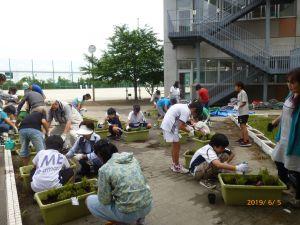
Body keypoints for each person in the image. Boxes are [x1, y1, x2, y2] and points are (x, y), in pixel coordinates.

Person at [86, 140, 152, 225]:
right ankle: (140, 221)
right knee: (136, 195)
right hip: (148, 205)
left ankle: (124, 222)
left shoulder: (104, 169)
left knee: (89, 200)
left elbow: (105, 200)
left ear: (99, 155)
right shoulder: (132, 159)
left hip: (128, 213)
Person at [271, 68, 300, 207]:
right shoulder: (291, 96)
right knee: (278, 159)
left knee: (296, 168)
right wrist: (274, 123)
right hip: (284, 137)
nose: (290, 85)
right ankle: (287, 186)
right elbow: (285, 113)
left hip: (295, 140)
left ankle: (298, 198)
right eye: (288, 82)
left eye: (293, 82)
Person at [160, 100, 203, 173]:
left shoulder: (184, 106)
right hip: (171, 125)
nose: (193, 115)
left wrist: (189, 127)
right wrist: (191, 131)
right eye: (195, 113)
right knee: (177, 146)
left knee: (175, 145)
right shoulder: (186, 111)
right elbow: (180, 126)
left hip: (168, 124)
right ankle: (177, 166)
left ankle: (174, 165)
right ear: (194, 109)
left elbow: (181, 122)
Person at [235, 81, 251, 147]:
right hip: (240, 113)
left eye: (236, 86)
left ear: (239, 87)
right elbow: (240, 102)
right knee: (241, 126)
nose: (235, 88)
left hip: (244, 112)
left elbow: (244, 102)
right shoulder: (239, 93)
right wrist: (235, 105)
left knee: (244, 126)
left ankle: (246, 141)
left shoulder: (243, 92)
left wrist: (238, 106)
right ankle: (243, 138)